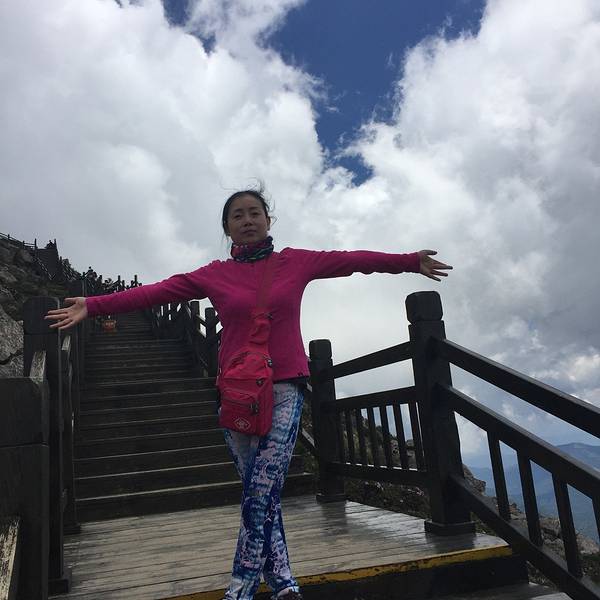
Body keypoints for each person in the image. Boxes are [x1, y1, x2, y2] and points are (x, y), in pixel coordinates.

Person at [45, 188, 452, 600]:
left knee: (260, 491)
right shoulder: (214, 274)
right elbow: (158, 291)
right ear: (227, 228)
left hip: (285, 387)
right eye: (237, 215)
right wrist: (94, 306)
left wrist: (408, 261)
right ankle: (283, 582)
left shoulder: (296, 262)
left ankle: (240, 587)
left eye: (255, 212)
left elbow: (351, 261)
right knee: (262, 494)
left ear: (268, 220)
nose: (247, 220)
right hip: (237, 394)